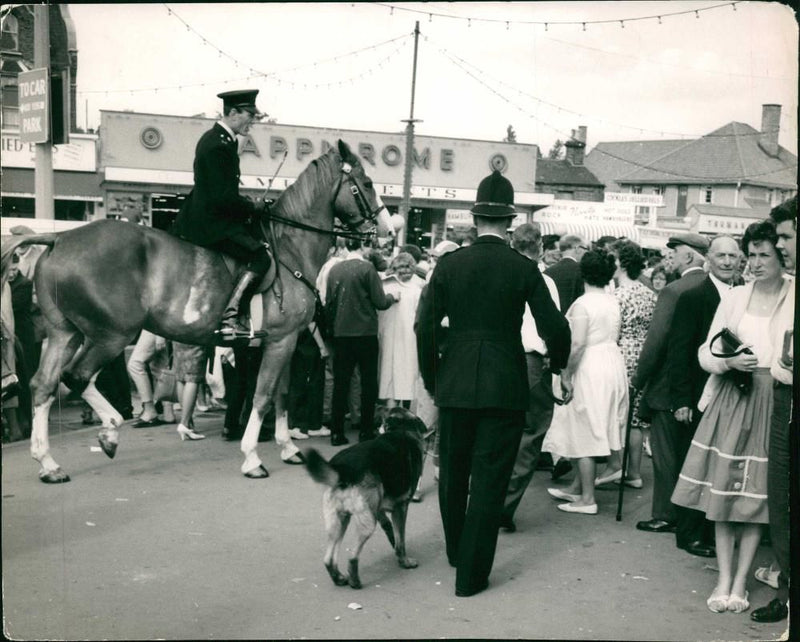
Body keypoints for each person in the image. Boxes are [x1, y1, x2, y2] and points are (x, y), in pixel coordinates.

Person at [416, 170, 571, 597]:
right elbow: (556, 327)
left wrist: (433, 378)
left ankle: (455, 550)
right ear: (509, 221)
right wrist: (557, 364)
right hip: (505, 383)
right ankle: (471, 575)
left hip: (456, 381)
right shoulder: (524, 268)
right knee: (489, 478)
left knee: (453, 472)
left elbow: (424, 327)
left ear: (474, 218)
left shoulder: (449, 265)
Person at [671, 220, 792, 615]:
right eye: (750, 255)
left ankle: (741, 581)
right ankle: (723, 579)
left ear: (780, 257)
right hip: (732, 397)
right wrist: (728, 361)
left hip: (774, 400)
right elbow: (705, 352)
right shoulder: (736, 297)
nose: (755, 263)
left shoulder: (794, 295)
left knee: (756, 496)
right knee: (723, 493)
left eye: (764, 255)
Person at [663, 235, 741, 559]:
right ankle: (689, 533)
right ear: (708, 258)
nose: (727, 262)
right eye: (720, 255)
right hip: (697, 396)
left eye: (732, 256)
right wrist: (681, 400)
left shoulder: (744, 295)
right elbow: (678, 351)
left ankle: (711, 531)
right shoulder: (694, 297)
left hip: (733, 395)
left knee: (722, 463)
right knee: (693, 463)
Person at [172, 89, 270, 341]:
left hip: (210, 216)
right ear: (233, 112)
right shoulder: (218, 144)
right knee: (260, 257)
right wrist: (252, 207)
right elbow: (220, 197)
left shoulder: (223, 140)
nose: (252, 121)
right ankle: (230, 318)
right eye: (250, 115)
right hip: (210, 223)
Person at [541, 250, 628, 515]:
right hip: (611, 362)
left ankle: (587, 498)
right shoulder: (612, 301)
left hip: (590, 365)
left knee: (584, 427)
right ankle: (577, 487)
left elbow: (578, 344)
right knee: (597, 422)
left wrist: (566, 374)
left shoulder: (582, 305)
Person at [632, 233, 708, 535]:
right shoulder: (717, 286)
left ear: (688, 256)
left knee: (665, 453)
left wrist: (638, 379)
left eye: (674, 253)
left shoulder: (674, 291)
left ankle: (665, 513)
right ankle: (689, 513)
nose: (670, 258)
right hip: (702, 384)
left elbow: (656, 341)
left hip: (668, 384)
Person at [750, 196, 795, 624]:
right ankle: (787, 589)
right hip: (784, 401)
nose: (779, 245)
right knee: (780, 500)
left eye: (785, 236)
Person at [499, 223, 561, 532]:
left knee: (498, 429)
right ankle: (504, 504)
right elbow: (554, 326)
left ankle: (485, 494)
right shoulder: (544, 281)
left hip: (499, 357)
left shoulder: (500, 274)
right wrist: (559, 365)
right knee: (530, 433)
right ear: (540, 248)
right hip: (530, 361)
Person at [594, 240, 656, 489]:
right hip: (643, 354)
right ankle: (634, 473)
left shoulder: (616, 297)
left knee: (614, 412)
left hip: (621, 353)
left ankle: (614, 465)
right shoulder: (649, 293)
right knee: (636, 419)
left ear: (620, 263)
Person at [326, 237, 399, 446]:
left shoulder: (335, 270)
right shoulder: (367, 269)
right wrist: (392, 297)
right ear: (363, 246)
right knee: (368, 383)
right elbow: (380, 302)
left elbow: (330, 301)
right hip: (365, 333)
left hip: (341, 333)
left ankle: (336, 432)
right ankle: (366, 430)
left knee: (341, 384)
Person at [378, 252, 425, 408]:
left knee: (390, 375)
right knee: (407, 374)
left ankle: (390, 411)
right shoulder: (417, 289)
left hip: (389, 336)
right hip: (407, 338)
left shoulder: (384, 286)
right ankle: (404, 411)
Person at [286, 325, 330, 440]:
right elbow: (311, 322)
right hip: (310, 343)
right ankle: (307, 426)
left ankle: (299, 425)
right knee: (313, 384)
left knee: (300, 383)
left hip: (300, 342)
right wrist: (322, 346)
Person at [545, 234, 589, 313]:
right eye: (585, 248)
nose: (586, 252)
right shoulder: (583, 271)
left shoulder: (547, 272)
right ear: (577, 249)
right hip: (575, 316)